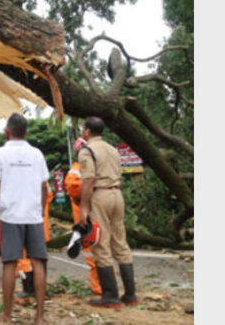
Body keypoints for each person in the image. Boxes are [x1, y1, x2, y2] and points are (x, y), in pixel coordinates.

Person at [0, 113, 50, 325]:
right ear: (26, 133)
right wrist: (40, 210)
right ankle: (40, 318)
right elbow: (44, 187)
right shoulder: (37, 154)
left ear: (7, 132)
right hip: (33, 216)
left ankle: (6, 318)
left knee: (9, 264)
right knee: (38, 263)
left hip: (10, 215)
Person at [78, 117, 138, 308]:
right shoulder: (113, 149)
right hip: (117, 195)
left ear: (87, 131)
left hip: (100, 196)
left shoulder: (87, 150)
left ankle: (110, 296)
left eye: (83, 129)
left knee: (101, 244)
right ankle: (130, 294)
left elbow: (87, 181)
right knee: (120, 242)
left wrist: (84, 208)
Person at [65, 138, 104, 295]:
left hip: (85, 216)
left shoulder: (77, 168)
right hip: (100, 211)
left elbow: (73, 187)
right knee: (102, 249)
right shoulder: (97, 165)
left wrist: (83, 198)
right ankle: (107, 285)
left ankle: (98, 287)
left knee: (92, 250)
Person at [15, 182, 54, 299]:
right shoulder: (42, 179)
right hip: (41, 225)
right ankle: (41, 289)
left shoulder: (22, 178)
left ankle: (29, 289)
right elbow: (49, 195)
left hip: (26, 223)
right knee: (40, 258)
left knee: (24, 257)